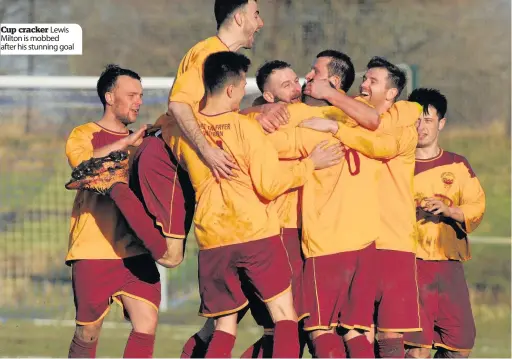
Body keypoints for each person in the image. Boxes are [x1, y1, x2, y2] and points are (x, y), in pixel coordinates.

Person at [164, 51, 343, 358]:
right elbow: (269, 184)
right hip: (254, 234)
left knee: (223, 328)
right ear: (232, 89)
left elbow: (169, 126)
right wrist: (310, 164)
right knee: (284, 316)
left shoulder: (181, 132)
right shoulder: (247, 129)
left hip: (212, 239)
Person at [302, 56, 424, 358]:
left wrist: (334, 127)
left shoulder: (403, 120)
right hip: (358, 239)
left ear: (392, 93)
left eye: (372, 80)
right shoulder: (350, 112)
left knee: (389, 332)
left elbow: (380, 144)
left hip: (393, 239)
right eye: (364, 78)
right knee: (357, 327)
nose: (364, 83)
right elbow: (303, 114)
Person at [65, 64, 171, 358]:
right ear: (110, 97)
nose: (139, 100)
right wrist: (126, 143)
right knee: (88, 333)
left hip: (136, 251)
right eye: (132, 94)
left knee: (146, 324)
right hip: (93, 250)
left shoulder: (144, 145)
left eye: (141, 95)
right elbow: (82, 167)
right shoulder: (83, 133)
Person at [403, 88, 485, 359]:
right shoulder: (396, 164)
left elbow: (476, 205)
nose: (421, 127)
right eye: (416, 120)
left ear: (441, 123)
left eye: (427, 120)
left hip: (449, 265)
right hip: (410, 265)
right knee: (417, 349)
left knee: (459, 346)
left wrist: (449, 210)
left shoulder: (457, 164)